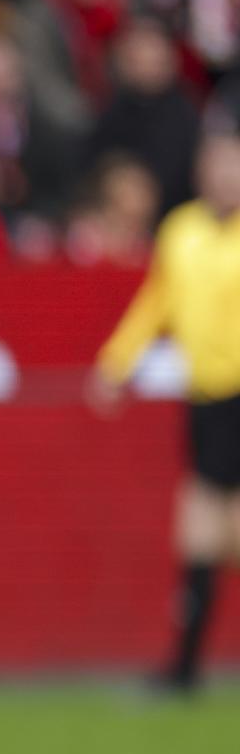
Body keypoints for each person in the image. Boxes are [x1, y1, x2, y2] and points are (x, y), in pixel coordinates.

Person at [91, 131, 240, 696]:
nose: (227, 177)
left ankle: (184, 666)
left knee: (210, 525)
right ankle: (184, 667)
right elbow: (156, 302)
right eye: (218, 165)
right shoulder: (182, 231)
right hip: (205, 396)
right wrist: (116, 362)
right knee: (204, 528)